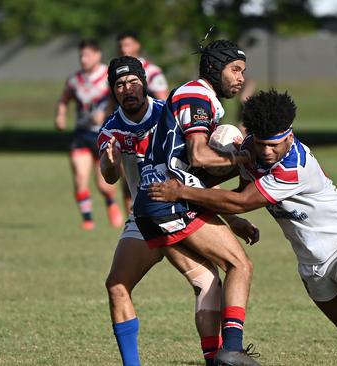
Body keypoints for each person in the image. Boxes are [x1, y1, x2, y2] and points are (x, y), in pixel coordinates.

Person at [146, 90, 337, 366]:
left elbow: (241, 201)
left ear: (289, 137)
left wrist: (182, 192)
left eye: (274, 145)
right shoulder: (250, 149)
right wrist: (232, 214)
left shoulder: (295, 166)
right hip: (311, 259)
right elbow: (241, 187)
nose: (266, 152)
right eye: (262, 144)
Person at [99, 56, 259, 366]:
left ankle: (215, 359)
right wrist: (110, 163)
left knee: (207, 282)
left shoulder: (167, 111)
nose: (128, 89)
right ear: (113, 91)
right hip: (146, 216)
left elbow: (194, 172)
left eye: (133, 82)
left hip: (176, 204)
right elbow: (109, 176)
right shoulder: (111, 130)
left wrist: (233, 217)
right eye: (120, 85)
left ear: (144, 83)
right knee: (117, 285)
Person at [54, 39, 123, 230]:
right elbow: (63, 99)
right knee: (80, 177)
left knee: (103, 185)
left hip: (104, 134)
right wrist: (60, 114)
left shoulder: (109, 76)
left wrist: (108, 111)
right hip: (82, 134)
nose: (83, 59)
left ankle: (111, 201)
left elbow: (119, 98)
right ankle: (88, 221)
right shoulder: (74, 80)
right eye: (81, 56)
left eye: (87, 55)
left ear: (98, 55)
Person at [115, 31, 170, 215]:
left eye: (128, 45)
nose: (124, 49)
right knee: (128, 178)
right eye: (122, 46)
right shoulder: (116, 72)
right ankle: (133, 216)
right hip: (127, 131)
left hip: (153, 133)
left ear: (138, 45)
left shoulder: (152, 71)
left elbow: (164, 101)